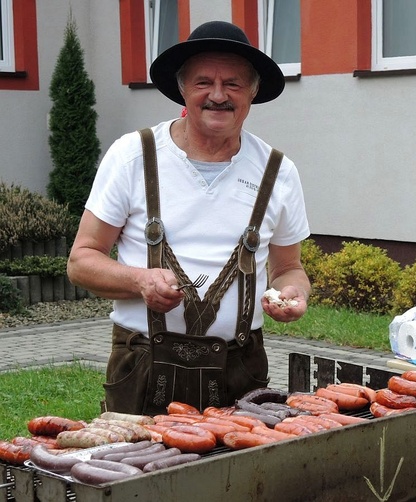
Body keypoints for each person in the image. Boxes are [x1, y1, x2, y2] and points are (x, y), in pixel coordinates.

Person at [67, 21, 311, 414]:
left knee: (242, 475)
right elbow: (81, 261)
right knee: (135, 474)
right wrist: (140, 280)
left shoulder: (277, 171)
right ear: (182, 88)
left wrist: (295, 293)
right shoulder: (133, 155)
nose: (218, 95)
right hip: (142, 363)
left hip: (241, 367)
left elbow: (289, 268)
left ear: (253, 91)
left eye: (232, 83)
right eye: (203, 82)